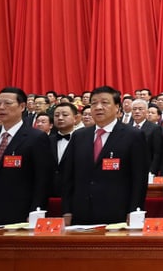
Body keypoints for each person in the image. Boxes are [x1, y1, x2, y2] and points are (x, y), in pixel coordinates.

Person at [61, 86, 149, 225]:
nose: (98, 107)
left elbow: (139, 178)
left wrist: (134, 211)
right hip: (81, 212)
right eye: (94, 103)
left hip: (117, 212)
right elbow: (68, 176)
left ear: (117, 108)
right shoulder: (79, 136)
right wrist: (67, 210)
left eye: (105, 102)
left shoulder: (133, 135)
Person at [0, 87, 54, 225]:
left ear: (22, 106)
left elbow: (43, 179)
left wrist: (36, 211)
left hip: (19, 212)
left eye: (7, 103)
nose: (1, 107)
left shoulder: (36, 138)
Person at [131, 99, 163, 175]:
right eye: (134, 109)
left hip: (146, 169)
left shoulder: (154, 128)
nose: (137, 111)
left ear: (146, 111)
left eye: (140, 109)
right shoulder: (126, 127)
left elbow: (157, 152)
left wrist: (152, 171)